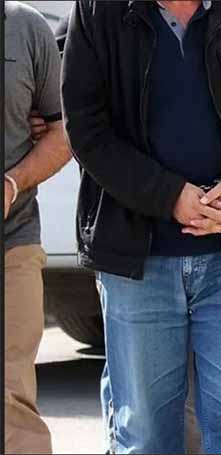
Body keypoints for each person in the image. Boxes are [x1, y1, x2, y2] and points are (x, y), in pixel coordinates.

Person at [61, 1, 221, 453]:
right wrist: (169, 196)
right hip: (136, 258)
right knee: (145, 436)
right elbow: (84, 125)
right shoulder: (98, 10)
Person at [4, 2, 72, 453]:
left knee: (11, 399)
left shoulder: (26, 27)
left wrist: (12, 183)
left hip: (13, 242)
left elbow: (64, 131)